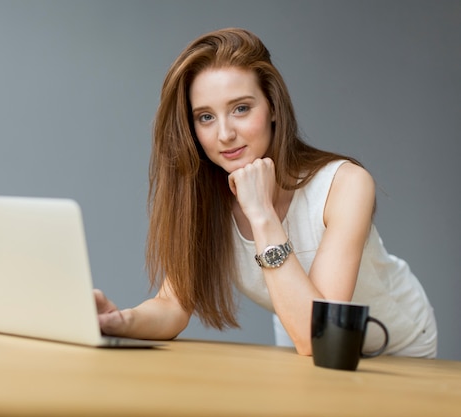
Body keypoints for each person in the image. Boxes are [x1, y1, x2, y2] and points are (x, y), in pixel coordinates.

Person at [94, 28, 437, 358]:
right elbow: (172, 305)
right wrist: (121, 322)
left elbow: (321, 335)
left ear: (272, 106)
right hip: (300, 341)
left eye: (241, 108)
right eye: (205, 117)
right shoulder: (206, 198)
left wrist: (261, 214)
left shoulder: (345, 184)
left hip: (397, 348)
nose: (225, 133)